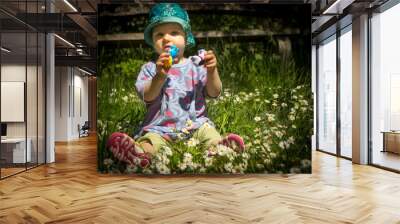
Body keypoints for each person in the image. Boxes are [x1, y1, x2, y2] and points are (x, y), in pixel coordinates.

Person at [107, 3, 244, 168]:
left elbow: (214, 93)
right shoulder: (150, 69)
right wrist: (160, 76)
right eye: (159, 34)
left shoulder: (197, 66)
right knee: (151, 141)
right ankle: (140, 154)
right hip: (160, 128)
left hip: (196, 126)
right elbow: (147, 96)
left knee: (209, 133)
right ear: (152, 41)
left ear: (186, 39)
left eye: (174, 32)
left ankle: (218, 149)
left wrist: (212, 71)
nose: (166, 38)